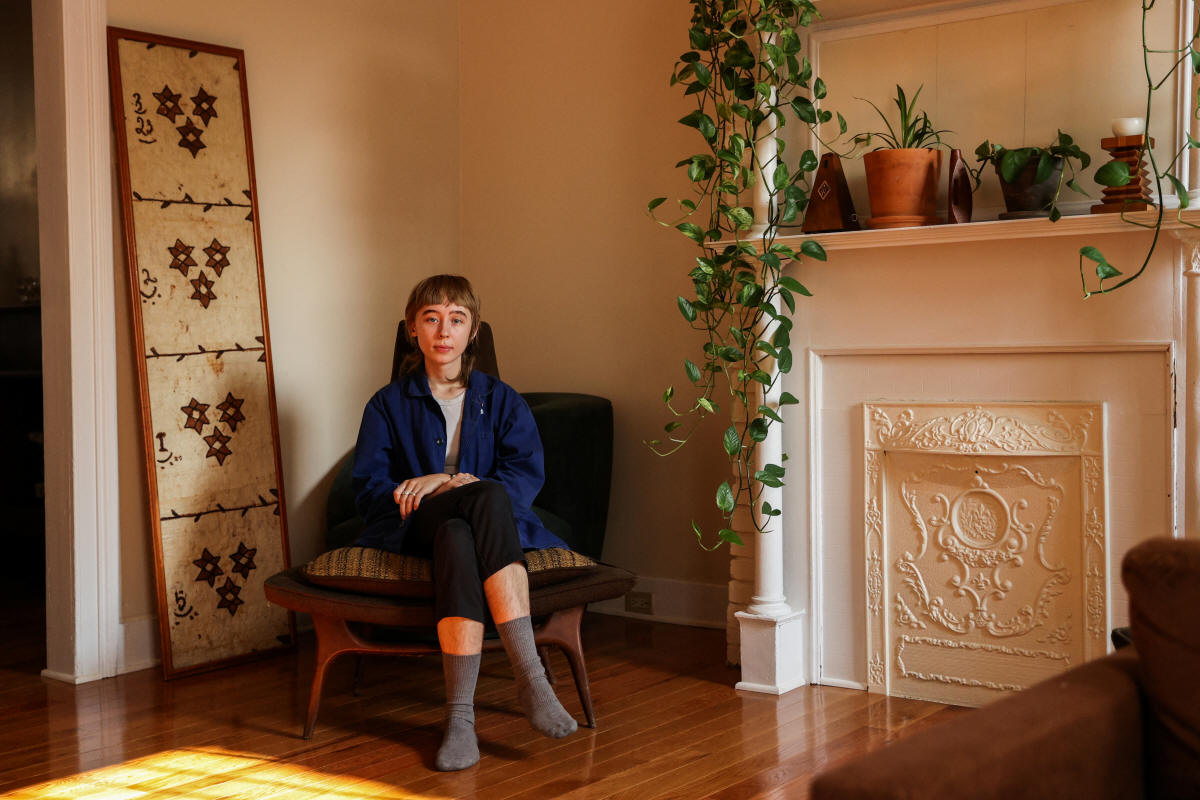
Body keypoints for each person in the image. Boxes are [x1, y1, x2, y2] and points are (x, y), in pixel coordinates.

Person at [351, 274, 577, 771]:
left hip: (481, 528)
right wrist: (436, 484)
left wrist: (451, 483)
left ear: (473, 331)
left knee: (462, 528)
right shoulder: (386, 404)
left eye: (456, 320)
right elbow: (368, 487)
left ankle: (459, 718)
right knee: (477, 499)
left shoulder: (503, 399)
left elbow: (525, 475)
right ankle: (530, 678)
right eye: (431, 318)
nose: (443, 331)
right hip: (413, 525)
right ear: (413, 329)